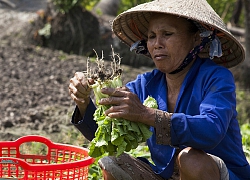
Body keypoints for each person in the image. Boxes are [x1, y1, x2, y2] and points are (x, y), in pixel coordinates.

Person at [68, 0, 250, 179]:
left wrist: (147, 115)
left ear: (195, 39)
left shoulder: (216, 77)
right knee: (111, 161)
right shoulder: (146, 85)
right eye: (152, 36)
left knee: (191, 159)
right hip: (167, 175)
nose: (157, 44)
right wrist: (84, 102)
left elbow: (211, 130)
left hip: (221, 173)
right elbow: (106, 138)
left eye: (167, 34)